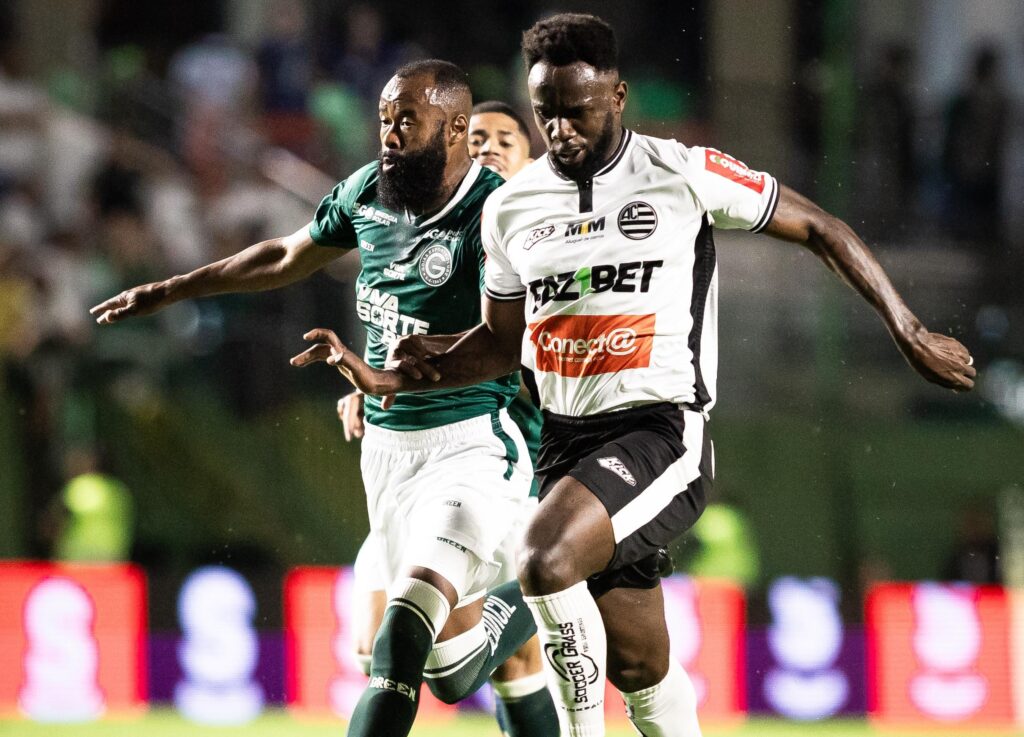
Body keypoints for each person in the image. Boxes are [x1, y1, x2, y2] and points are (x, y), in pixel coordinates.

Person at [294, 14, 976, 737]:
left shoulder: (682, 173)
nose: (560, 130)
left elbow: (818, 227)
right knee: (638, 667)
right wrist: (385, 380)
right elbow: (498, 343)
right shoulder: (512, 208)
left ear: (618, 97)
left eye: (577, 111)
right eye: (546, 113)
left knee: (543, 557)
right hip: (564, 444)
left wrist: (908, 328)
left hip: (659, 430)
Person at [91, 60, 558, 737]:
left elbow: (507, 341)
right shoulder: (367, 192)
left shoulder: (496, 211)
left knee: (403, 640)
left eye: (408, 121)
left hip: (471, 450)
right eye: (385, 119)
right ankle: (544, 581)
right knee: (430, 664)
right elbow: (285, 255)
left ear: (454, 128)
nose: (390, 135)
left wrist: (384, 379)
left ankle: (557, 572)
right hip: (388, 455)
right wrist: (172, 288)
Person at [337, 99, 555, 734]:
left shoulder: (540, 241)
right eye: (476, 137)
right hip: (419, 469)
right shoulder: (443, 235)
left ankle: (559, 571)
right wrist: (376, 385)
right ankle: (550, 580)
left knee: (479, 664)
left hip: (512, 472)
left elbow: (521, 352)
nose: (488, 148)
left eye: (505, 140)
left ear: (530, 163)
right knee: (374, 648)